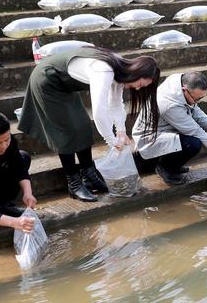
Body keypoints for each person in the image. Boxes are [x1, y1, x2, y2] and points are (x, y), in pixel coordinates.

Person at [18, 47, 159, 203]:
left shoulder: (122, 72)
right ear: (136, 72)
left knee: (83, 125)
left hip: (66, 84)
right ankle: (74, 183)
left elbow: (116, 104)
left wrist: (121, 130)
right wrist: (111, 141)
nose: (138, 88)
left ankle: (89, 175)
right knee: (65, 131)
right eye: (140, 83)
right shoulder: (105, 71)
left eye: (142, 87)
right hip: (47, 81)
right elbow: (100, 111)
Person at [133, 72, 207, 186]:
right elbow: (195, 131)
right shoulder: (169, 105)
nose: (197, 101)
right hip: (150, 137)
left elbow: (193, 106)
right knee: (193, 143)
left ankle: (173, 165)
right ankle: (165, 168)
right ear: (184, 89)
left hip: (167, 127)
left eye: (201, 97)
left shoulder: (180, 81)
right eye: (196, 98)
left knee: (191, 138)